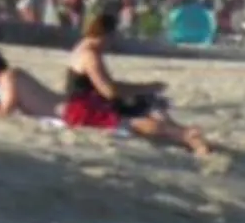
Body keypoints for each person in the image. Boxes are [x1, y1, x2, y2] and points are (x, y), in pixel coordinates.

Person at [61, 11, 212, 155]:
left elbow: (104, 85)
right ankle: (182, 134)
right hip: (85, 110)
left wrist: (141, 90)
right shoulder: (90, 55)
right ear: (107, 35)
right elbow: (109, 90)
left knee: (146, 102)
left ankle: (182, 133)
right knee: (134, 120)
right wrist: (145, 87)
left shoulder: (83, 48)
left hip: (90, 102)